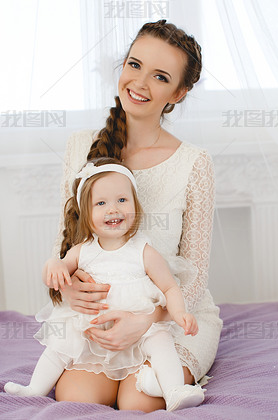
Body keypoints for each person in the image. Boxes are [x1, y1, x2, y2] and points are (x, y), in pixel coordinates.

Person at [45, 19, 222, 412]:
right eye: (134, 64)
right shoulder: (79, 148)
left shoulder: (194, 164)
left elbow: (194, 275)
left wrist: (148, 318)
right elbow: (69, 247)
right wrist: (68, 288)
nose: (140, 83)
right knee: (76, 400)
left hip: (170, 318)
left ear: (179, 92)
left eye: (160, 76)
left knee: (138, 400)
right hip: (103, 320)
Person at [4, 158, 205, 411]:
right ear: (85, 214)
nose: (113, 209)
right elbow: (57, 270)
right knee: (60, 346)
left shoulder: (143, 251)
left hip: (138, 325)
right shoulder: (82, 251)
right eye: (101, 203)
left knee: (161, 341)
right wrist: (53, 264)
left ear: (136, 205)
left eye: (122, 200)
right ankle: (34, 388)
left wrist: (179, 313)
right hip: (94, 330)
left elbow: (169, 288)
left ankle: (174, 390)